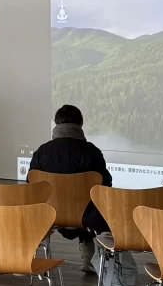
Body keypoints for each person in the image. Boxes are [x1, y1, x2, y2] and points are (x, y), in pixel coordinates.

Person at [28, 104, 113, 273]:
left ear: (56, 124)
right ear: (80, 124)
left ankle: (29, 255)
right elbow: (105, 185)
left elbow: (31, 186)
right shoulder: (92, 152)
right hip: (87, 217)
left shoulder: (41, 152)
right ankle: (90, 258)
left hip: (49, 214)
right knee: (94, 203)